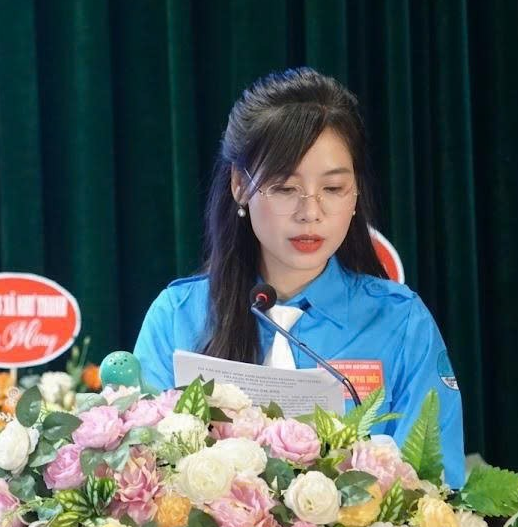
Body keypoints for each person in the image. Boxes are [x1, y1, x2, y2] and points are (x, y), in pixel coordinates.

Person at [133, 67, 466, 488]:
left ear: (356, 192)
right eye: (285, 188)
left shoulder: (401, 324)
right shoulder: (176, 318)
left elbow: (439, 489)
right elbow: (142, 481)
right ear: (240, 186)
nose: (310, 212)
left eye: (333, 189)